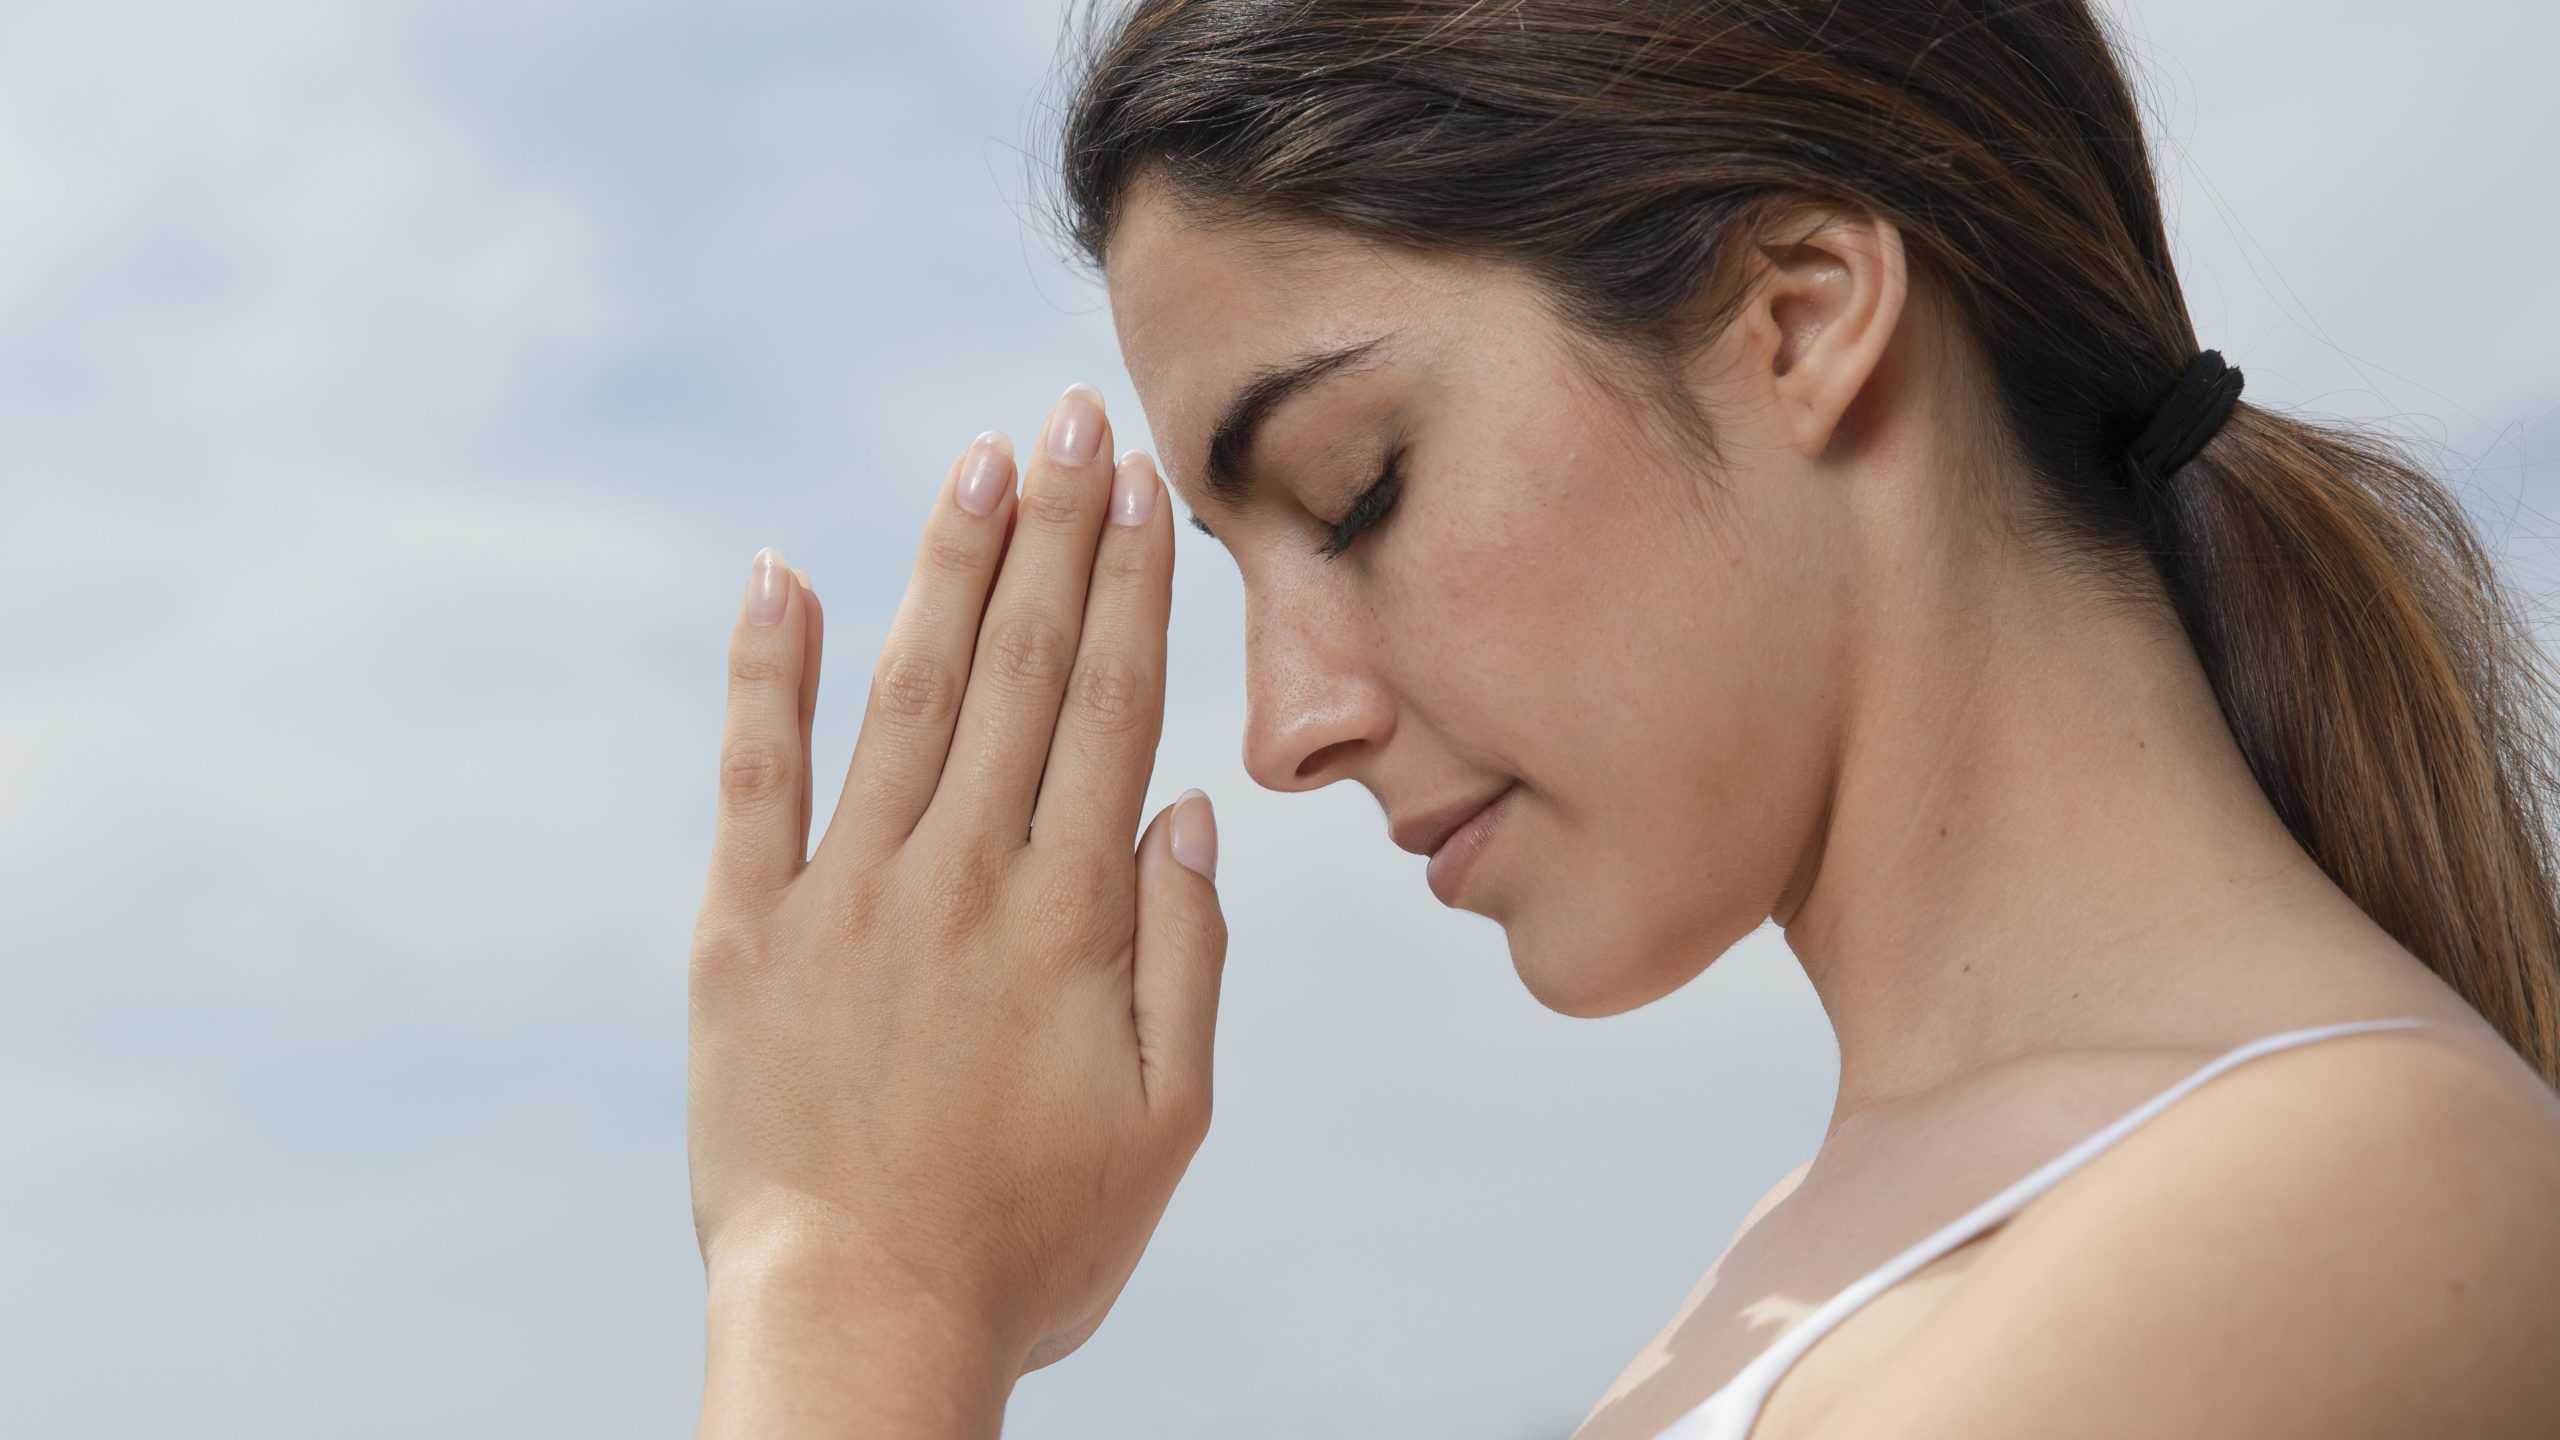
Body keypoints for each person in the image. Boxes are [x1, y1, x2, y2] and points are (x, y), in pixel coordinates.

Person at [683, 2, 2560, 1435]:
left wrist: (860, 1296)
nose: (1283, 728)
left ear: (1804, 317)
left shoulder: (2348, 1199)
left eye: (1357, 494)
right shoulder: (1831, 1257)